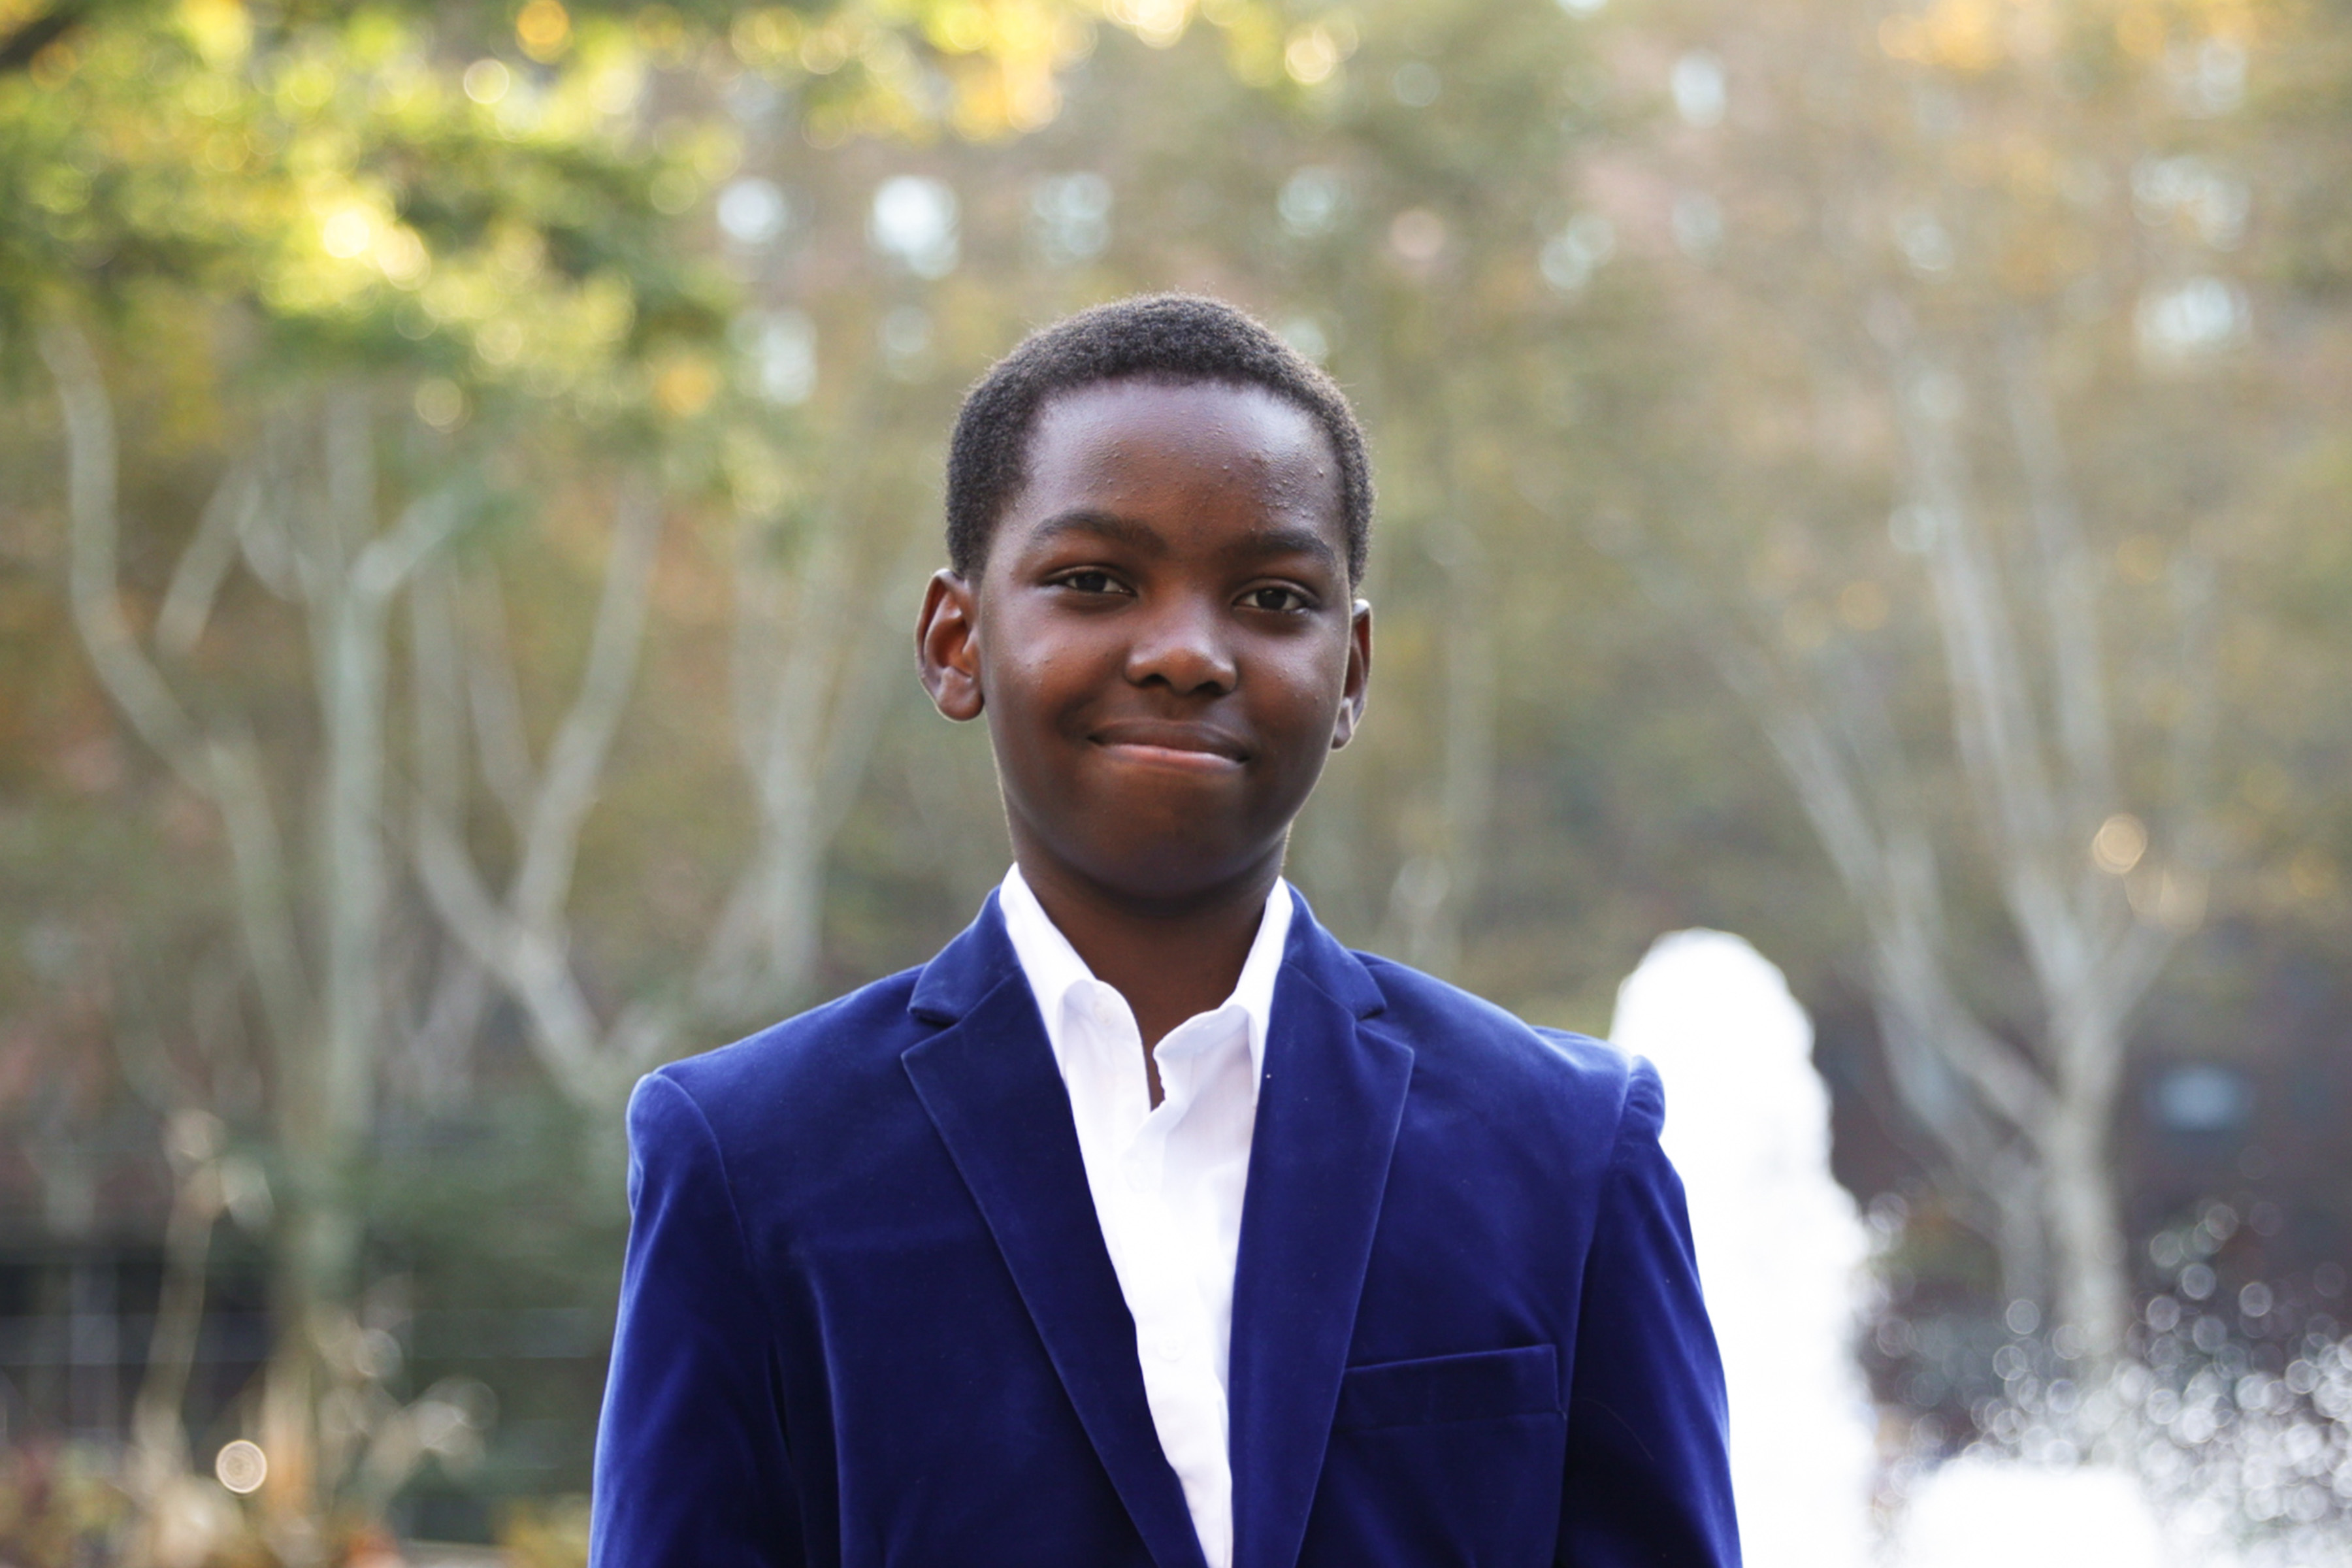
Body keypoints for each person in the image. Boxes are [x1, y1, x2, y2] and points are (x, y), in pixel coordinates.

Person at [588, 295, 1739, 1568]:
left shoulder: (1569, 1148)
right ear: (956, 641)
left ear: (1350, 673)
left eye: (1271, 596)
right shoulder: (753, 1160)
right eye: (1095, 582)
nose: (1187, 652)